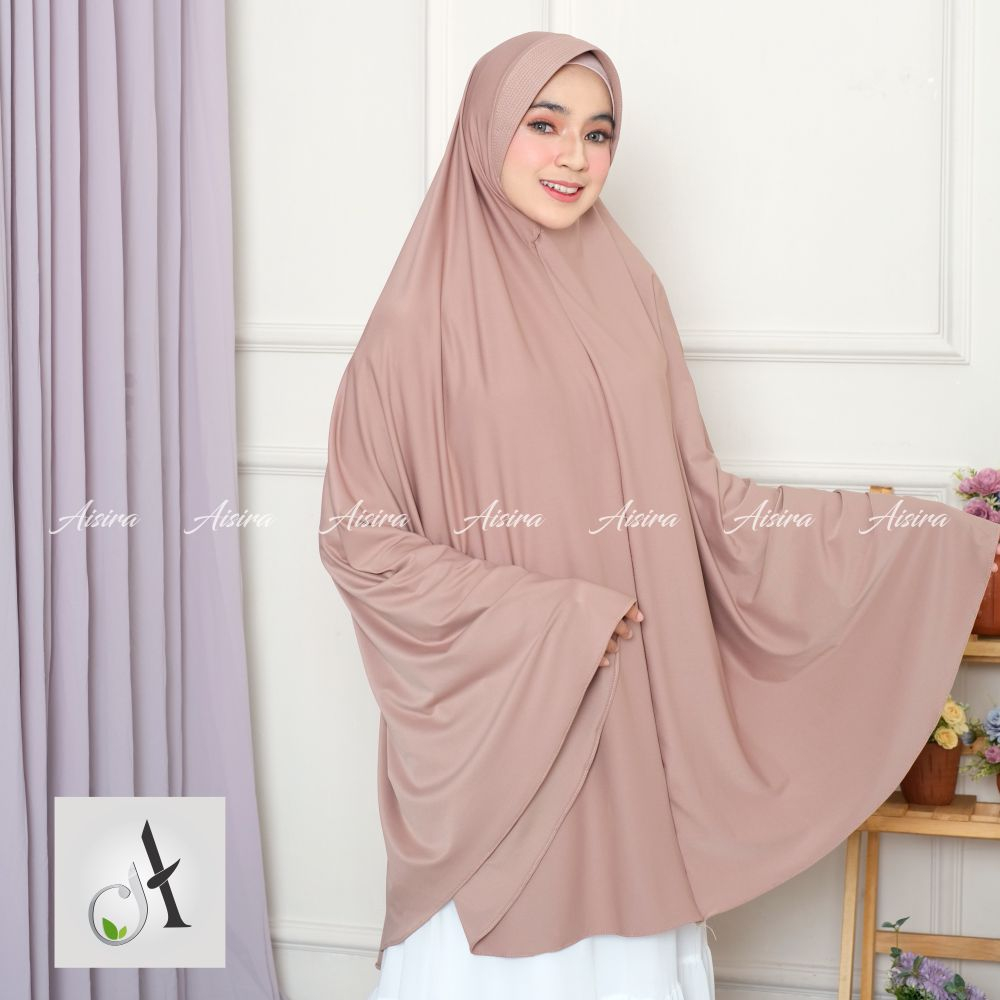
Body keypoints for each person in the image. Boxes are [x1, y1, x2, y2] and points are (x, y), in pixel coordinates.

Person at [318, 31, 1000, 1000]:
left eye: (598, 133)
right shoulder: (413, 325)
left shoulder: (629, 289)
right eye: (543, 123)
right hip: (514, 721)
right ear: (483, 129)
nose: (573, 155)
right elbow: (362, 540)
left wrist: (924, 537)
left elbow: (700, 499)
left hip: (636, 709)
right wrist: (552, 617)